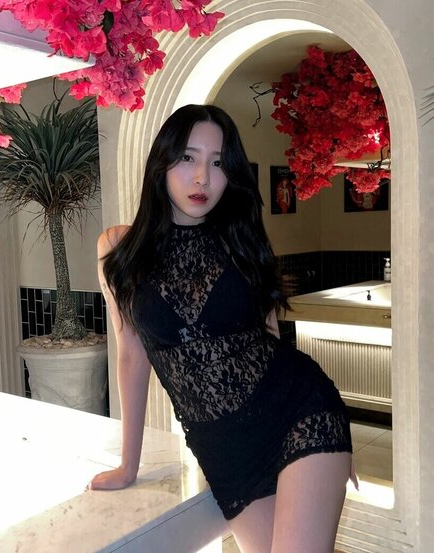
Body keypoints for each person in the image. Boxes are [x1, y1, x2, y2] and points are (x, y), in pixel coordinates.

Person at [89, 104, 357, 553]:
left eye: (217, 163)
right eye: (188, 158)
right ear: (161, 163)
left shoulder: (239, 240)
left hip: (300, 412)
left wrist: (326, 451)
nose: (202, 178)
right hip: (225, 450)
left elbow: (270, 338)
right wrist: (127, 466)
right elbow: (131, 354)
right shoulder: (117, 249)